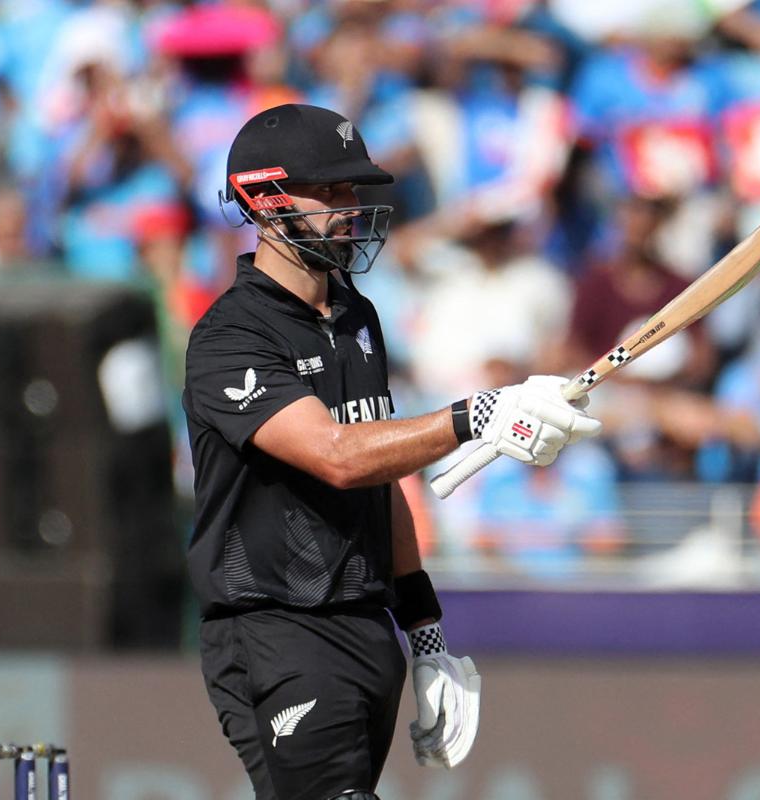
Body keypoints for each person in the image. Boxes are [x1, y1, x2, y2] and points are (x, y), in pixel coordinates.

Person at [182, 103, 601, 800]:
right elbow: (337, 455)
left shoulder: (356, 315)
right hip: (279, 630)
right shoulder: (231, 337)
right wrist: (479, 414)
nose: (352, 209)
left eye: (355, 191)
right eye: (333, 192)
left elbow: (377, 478)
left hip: (367, 630)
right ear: (265, 201)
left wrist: (426, 635)